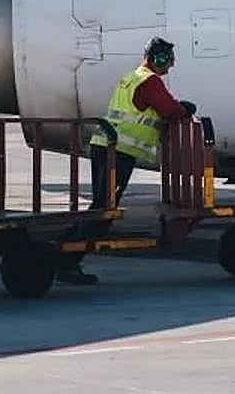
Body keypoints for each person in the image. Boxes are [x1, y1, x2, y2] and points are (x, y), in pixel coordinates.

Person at [57, 36, 195, 285]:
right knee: (104, 211)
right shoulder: (150, 81)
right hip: (118, 152)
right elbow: (169, 110)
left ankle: (64, 253)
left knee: (100, 207)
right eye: (170, 60)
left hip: (105, 146)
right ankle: (66, 260)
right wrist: (185, 109)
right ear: (159, 58)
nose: (172, 65)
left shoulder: (131, 77)